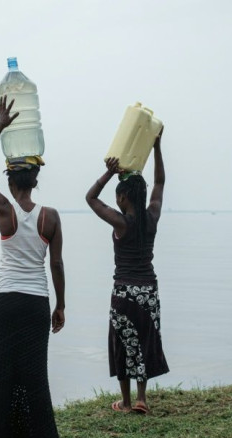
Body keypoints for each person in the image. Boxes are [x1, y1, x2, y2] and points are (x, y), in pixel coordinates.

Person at [0, 96, 65, 438]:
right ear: (36, 179)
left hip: (6, 299)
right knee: (33, 372)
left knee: (0, 370)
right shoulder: (51, 217)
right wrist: (61, 305)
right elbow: (56, 265)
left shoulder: (3, 209)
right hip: (37, 302)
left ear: (10, 181)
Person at [85, 128, 169, 414]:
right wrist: (157, 147)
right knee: (144, 339)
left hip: (124, 291)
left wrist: (107, 173)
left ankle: (126, 402)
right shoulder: (151, 218)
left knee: (122, 342)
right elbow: (159, 181)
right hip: (148, 290)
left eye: (118, 196)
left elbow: (91, 198)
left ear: (122, 198)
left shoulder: (122, 223)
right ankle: (143, 399)